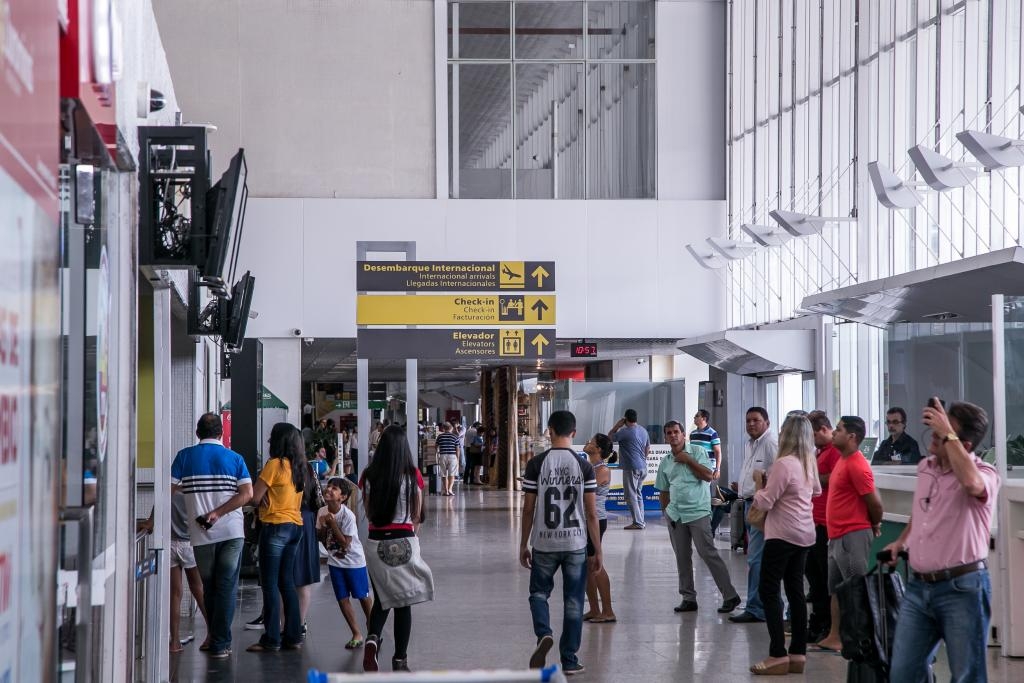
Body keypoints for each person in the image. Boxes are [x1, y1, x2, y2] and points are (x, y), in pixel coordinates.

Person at [884, 399, 999, 682]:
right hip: (919, 588)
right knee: (903, 673)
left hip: (962, 589)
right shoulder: (926, 467)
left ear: (965, 445)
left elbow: (972, 485)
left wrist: (948, 433)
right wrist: (901, 542)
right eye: (937, 428)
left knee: (966, 675)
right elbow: (921, 512)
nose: (935, 436)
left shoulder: (985, 474)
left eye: (944, 432)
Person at [520, 411, 601, 676]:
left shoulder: (536, 464)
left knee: (538, 593)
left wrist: (523, 544)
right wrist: (596, 549)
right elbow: (591, 513)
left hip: (544, 542)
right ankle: (569, 659)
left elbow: (528, 509)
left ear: (549, 430)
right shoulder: (584, 466)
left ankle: (544, 632)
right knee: (574, 601)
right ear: (574, 433)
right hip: (576, 542)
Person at [170, 413, 252, 659]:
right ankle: (220, 642)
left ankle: (218, 639)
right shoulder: (235, 458)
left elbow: (169, 488)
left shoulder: (184, 457)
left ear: (198, 433)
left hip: (200, 534)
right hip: (231, 532)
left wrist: (192, 492)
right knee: (226, 585)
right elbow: (247, 494)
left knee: (210, 587)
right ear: (221, 434)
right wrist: (218, 512)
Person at [748, 415, 821, 675]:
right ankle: (798, 653)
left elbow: (766, 502)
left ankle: (777, 653)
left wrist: (759, 486)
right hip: (804, 533)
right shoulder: (808, 463)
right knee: (795, 592)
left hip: (782, 534)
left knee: (768, 590)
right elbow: (816, 492)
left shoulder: (784, 464)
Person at [360, 425, 434, 672]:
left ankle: (372, 639)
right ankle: (400, 660)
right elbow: (416, 515)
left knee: (382, 597)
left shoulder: (368, 475)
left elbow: (369, 512)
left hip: (375, 542)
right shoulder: (413, 475)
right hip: (404, 539)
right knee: (404, 602)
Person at [655, 421, 741, 615]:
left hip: (698, 512)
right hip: (676, 515)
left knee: (708, 553)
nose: (673, 436)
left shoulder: (698, 452)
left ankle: (730, 595)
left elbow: (708, 476)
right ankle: (688, 597)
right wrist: (666, 513)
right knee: (682, 557)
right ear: (665, 437)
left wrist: (688, 460)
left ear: (683, 434)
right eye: (669, 433)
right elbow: (664, 490)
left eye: (676, 432)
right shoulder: (666, 461)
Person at [815, 415, 883, 652]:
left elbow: (875, 503)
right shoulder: (843, 461)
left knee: (856, 589)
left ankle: (861, 639)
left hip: (853, 534)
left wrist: (874, 524)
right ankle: (836, 636)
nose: (833, 433)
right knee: (835, 589)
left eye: (839, 429)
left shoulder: (857, 464)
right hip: (836, 536)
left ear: (852, 436)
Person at [246, 423, 307, 652]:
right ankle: (293, 636)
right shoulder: (299, 466)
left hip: (275, 527)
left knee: (270, 585)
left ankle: (271, 639)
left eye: (272, 437)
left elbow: (254, 497)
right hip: (295, 527)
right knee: (287, 583)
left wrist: (259, 498)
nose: (269, 441)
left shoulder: (275, 464)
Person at [729, 407, 778, 624]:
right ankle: (759, 604)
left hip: (763, 508)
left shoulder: (770, 444)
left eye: (756, 420)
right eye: (748, 420)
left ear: (766, 422)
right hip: (749, 503)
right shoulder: (751, 444)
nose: (751, 424)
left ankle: (757, 608)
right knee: (755, 558)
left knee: (757, 559)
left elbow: (777, 476)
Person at [317, 477, 374, 650]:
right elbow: (320, 538)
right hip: (335, 563)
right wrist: (324, 526)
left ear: (342, 497)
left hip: (354, 562)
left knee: (362, 596)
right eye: (329, 487)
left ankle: (373, 629)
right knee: (342, 599)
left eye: (334, 489)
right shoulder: (321, 512)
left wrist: (332, 524)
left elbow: (345, 543)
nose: (329, 490)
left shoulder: (348, 516)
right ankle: (356, 633)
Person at [805, 410, 841, 644]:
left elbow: (835, 477)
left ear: (823, 430)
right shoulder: (820, 452)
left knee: (824, 579)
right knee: (815, 577)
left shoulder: (835, 452)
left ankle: (826, 624)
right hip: (814, 521)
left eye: (813, 435)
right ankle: (818, 621)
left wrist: (811, 475)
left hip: (826, 524)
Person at [582, 433, 616, 624]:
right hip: (586, 519)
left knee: (595, 563)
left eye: (591, 442)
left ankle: (608, 610)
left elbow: (584, 492)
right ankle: (594, 609)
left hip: (596, 520)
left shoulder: (601, 470)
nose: (587, 443)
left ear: (599, 450)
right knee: (587, 565)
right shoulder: (589, 467)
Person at [608, 409, 650, 530]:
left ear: (625, 419)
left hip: (631, 467)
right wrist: (642, 460)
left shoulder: (625, 432)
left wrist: (617, 425)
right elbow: (648, 448)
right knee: (638, 494)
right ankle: (641, 521)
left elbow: (609, 437)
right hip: (642, 467)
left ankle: (638, 522)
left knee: (630, 495)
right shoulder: (643, 430)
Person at [435, 422, 460, 496]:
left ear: (443, 428)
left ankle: (445, 491)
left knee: (443, 474)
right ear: (451, 428)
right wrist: (458, 459)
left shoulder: (440, 436)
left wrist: (438, 452)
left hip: (443, 456)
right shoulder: (455, 436)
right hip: (452, 456)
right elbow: (457, 449)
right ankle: (450, 490)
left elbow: (436, 446)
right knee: (452, 474)